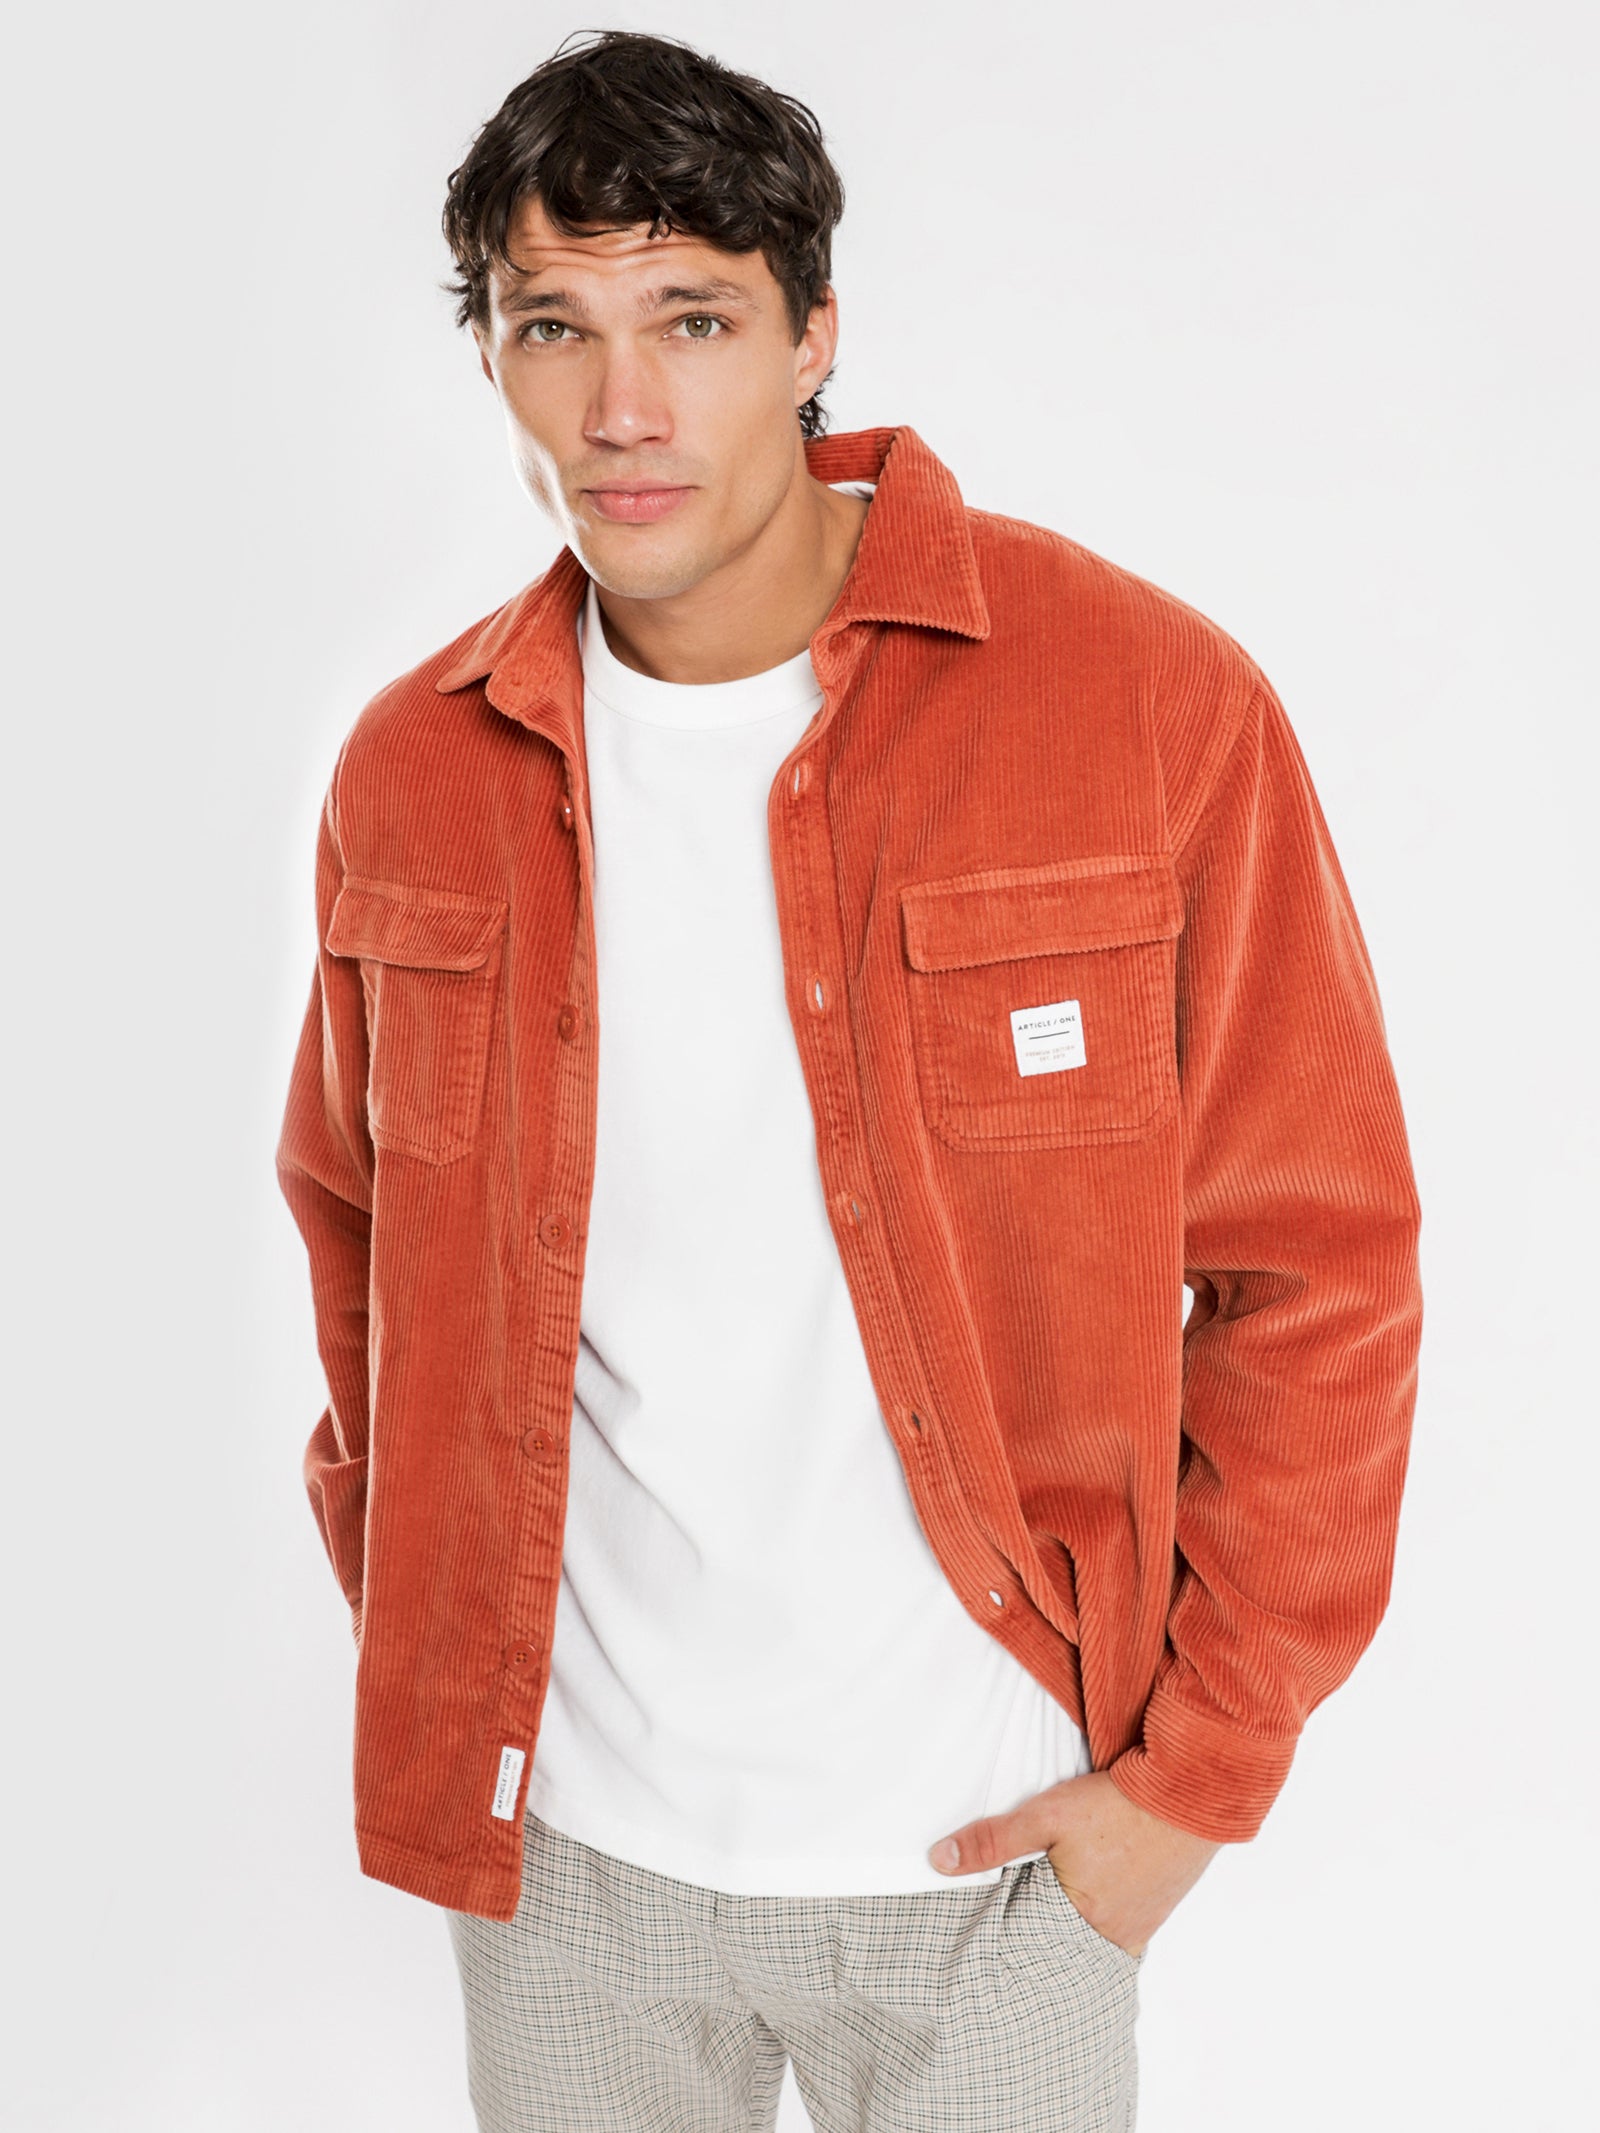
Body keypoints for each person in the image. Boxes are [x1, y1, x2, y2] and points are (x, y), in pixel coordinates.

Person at [276, 28, 1422, 2132]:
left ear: (813, 335)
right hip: (569, 1870)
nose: (621, 408)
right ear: (492, 357)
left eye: (693, 319)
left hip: (993, 1868)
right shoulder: (415, 773)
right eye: (554, 324)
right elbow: (356, 1246)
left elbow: (1318, 1267)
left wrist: (1198, 1777)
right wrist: (430, 1619)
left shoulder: (1142, 707)